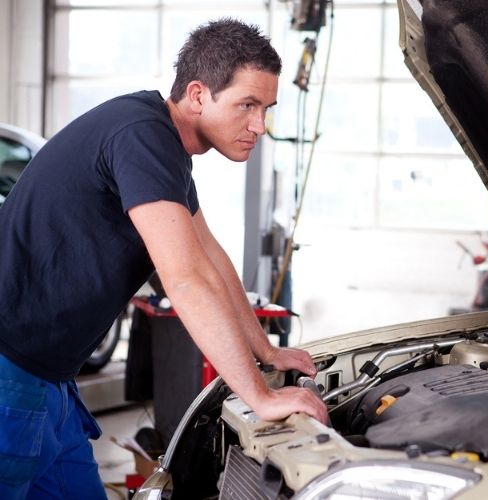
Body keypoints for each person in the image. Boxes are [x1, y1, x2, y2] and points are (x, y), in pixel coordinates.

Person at [0, 18, 327, 498]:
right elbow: (187, 279)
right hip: (10, 376)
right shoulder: (141, 134)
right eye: (247, 105)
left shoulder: (163, 148)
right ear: (198, 95)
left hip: (51, 384)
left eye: (266, 108)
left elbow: (210, 260)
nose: (259, 125)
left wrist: (267, 351)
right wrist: (259, 395)